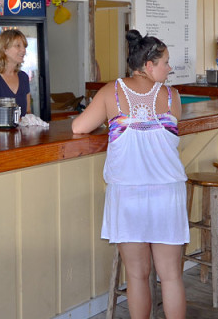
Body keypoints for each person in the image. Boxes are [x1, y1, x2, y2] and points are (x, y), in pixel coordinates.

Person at [72, 30, 186, 319]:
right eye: (165, 63)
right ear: (148, 65)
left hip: (127, 194)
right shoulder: (173, 97)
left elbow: (79, 128)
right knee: (171, 276)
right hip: (167, 194)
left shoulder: (112, 92)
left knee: (137, 276)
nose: (169, 69)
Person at [0, 29, 31, 117]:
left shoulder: (24, 77)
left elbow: (27, 112)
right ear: (4, 49)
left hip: (21, 131)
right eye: (18, 46)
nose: (23, 50)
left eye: (24, 46)